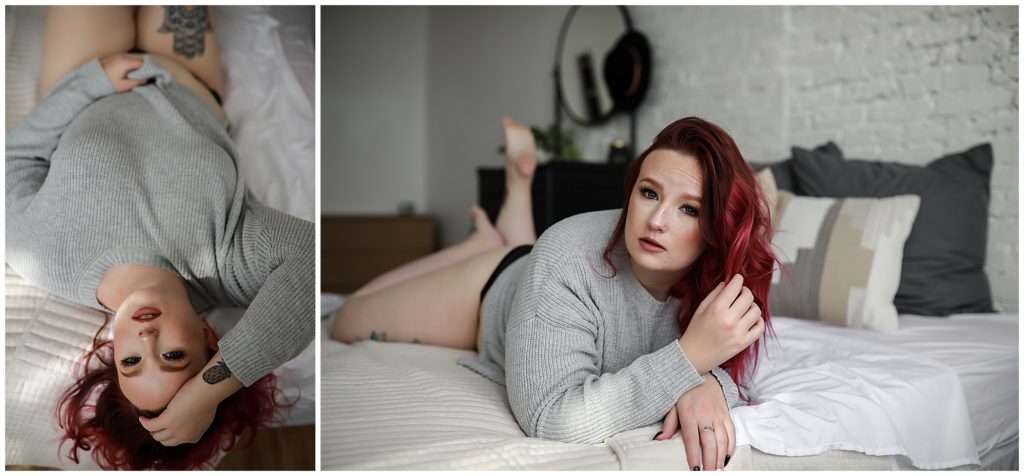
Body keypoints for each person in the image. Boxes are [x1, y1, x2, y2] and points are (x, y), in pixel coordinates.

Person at [331, 115, 777, 471]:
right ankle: (482, 247)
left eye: (688, 208)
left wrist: (709, 384)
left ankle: (507, 211)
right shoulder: (566, 254)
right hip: (491, 290)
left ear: (718, 227)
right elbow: (552, 418)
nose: (657, 220)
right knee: (347, 318)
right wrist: (689, 361)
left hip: (540, 274)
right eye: (648, 192)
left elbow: (735, 371)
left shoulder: (723, 281)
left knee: (529, 250)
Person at [5, 6, 314, 470]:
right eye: (173, 355)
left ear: (111, 349)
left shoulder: (47, 258)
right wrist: (215, 387)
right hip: (184, 74)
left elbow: (14, 159)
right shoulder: (228, 261)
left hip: (85, 76)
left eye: (131, 362)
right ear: (209, 337)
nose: (146, 338)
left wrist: (90, 84)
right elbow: (309, 259)